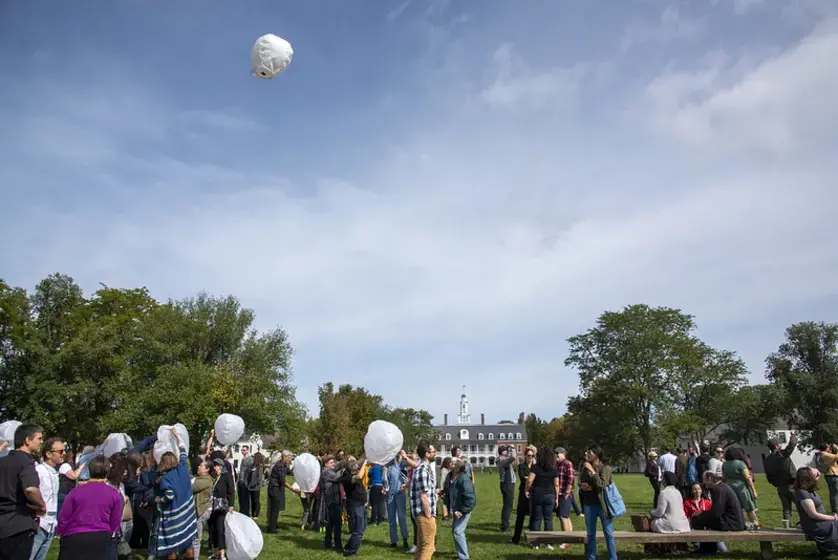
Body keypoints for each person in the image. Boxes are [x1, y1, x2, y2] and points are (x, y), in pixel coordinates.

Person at [56, 456, 122, 560]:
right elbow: (115, 521)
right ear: (107, 471)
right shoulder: (113, 493)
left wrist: (61, 532)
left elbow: (64, 516)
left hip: (74, 536)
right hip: (101, 537)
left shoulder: (76, 491)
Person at [0, 424, 46, 560]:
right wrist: (41, 506)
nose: (42, 442)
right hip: (19, 525)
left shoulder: (3, 462)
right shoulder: (25, 461)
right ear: (27, 440)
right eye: (39, 438)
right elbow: (30, 489)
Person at [150, 429, 198, 559]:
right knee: (188, 540)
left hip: (174, 513)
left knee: (171, 542)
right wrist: (177, 437)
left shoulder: (166, 479)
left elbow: (170, 495)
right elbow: (183, 451)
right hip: (188, 512)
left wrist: (160, 499)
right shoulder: (183, 467)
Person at [29, 437, 66, 560]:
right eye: (60, 451)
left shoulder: (55, 473)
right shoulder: (39, 471)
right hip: (39, 524)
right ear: (49, 454)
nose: (64, 454)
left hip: (51, 524)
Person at [579, 444, 617, 560]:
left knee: (609, 534)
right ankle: (591, 558)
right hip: (589, 504)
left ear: (596, 455)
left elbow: (602, 484)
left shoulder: (605, 468)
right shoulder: (585, 467)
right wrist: (583, 486)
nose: (586, 454)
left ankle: (613, 558)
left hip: (603, 505)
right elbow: (581, 482)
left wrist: (592, 471)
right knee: (590, 534)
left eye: (589, 452)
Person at [692, 471, 745, 554]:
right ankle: (708, 548)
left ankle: (704, 548)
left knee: (698, 519)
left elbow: (716, 513)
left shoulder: (719, 490)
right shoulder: (721, 487)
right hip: (734, 521)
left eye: (704, 480)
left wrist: (702, 514)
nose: (704, 483)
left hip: (731, 523)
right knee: (704, 518)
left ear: (710, 479)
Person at [794, 466, 838, 556]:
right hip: (814, 525)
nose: (815, 477)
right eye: (812, 475)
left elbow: (817, 477)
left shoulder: (809, 490)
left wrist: (817, 475)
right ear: (807, 478)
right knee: (834, 525)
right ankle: (832, 548)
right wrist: (832, 518)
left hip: (820, 522)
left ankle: (826, 550)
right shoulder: (802, 493)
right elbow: (813, 514)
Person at [526, 446, 559, 551]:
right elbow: (556, 485)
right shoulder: (553, 469)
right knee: (548, 519)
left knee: (537, 519)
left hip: (538, 495)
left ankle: (536, 544)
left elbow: (529, 481)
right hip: (550, 495)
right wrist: (557, 497)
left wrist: (526, 490)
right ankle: (549, 543)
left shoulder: (535, 467)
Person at [410, 441, 437, 560]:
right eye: (433, 451)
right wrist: (429, 515)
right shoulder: (423, 470)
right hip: (424, 514)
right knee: (428, 548)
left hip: (423, 513)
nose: (435, 453)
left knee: (421, 547)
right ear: (427, 454)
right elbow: (423, 496)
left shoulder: (423, 468)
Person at [722, 446, 760, 529]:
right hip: (742, 488)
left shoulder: (724, 465)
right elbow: (748, 477)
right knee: (749, 508)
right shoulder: (740, 464)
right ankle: (755, 524)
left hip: (730, 488)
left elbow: (723, 478)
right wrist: (754, 490)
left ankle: (739, 524)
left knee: (736, 508)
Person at [764, 433, 798, 523]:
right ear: (776, 446)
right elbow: (791, 445)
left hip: (780, 487)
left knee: (786, 509)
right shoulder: (782, 454)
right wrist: (793, 436)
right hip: (792, 484)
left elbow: (769, 476)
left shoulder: (767, 460)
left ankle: (788, 526)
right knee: (801, 505)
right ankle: (806, 524)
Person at [208, 458, 235, 560]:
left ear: (220, 466)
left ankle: (222, 554)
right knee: (213, 529)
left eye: (216, 466)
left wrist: (231, 505)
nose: (214, 468)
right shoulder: (215, 476)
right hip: (213, 506)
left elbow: (231, 491)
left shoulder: (227, 476)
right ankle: (215, 552)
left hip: (222, 507)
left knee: (220, 529)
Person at [318, 455, 345, 553]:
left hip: (333, 500)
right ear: (325, 464)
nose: (333, 464)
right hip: (332, 501)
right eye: (331, 462)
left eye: (334, 462)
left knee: (331, 524)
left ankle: (328, 543)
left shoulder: (328, 471)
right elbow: (339, 477)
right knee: (337, 524)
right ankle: (338, 546)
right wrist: (345, 466)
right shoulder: (327, 472)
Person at [342, 458, 369, 557]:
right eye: (357, 468)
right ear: (353, 470)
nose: (359, 469)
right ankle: (351, 552)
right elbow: (360, 476)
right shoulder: (347, 477)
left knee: (362, 527)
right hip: (356, 506)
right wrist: (365, 463)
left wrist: (366, 459)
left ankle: (349, 546)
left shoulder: (351, 474)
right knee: (359, 531)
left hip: (361, 505)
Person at [266, 451, 297, 534]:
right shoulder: (279, 465)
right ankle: (272, 529)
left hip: (276, 488)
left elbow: (289, 472)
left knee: (274, 509)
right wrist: (292, 488)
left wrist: (296, 466)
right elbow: (283, 481)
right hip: (274, 489)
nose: (290, 459)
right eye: (289, 457)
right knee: (274, 509)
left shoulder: (283, 465)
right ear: (284, 457)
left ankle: (272, 525)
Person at [450, 461, 476, 560]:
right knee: (456, 531)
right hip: (459, 509)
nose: (450, 465)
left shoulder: (464, 479)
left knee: (458, 531)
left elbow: (470, 499)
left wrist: (462, 511)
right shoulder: (458, 477)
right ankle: (461, 556)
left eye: (453, 464)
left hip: (463, 510)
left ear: (457, 468)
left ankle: (464, 557)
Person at [383, 456, 409, 550]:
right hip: (391, 495)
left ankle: (405, 539)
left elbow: (406, 463)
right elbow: (385, 483)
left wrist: (404, 456)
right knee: (391, 518)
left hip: (400, 494)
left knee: (401, 517)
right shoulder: (386, 469)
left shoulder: (400, 466)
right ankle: (394, 540)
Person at [510, 446, 535, 545]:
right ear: (525, 456)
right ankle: (516, 538)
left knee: (533, 515)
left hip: (533, 493)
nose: (530, 457)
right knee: (520, 516)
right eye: (529, 455)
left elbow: (532, 478)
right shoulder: (521, 466)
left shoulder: (535, 467)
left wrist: (528, 478)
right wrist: (531, 479)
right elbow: (522, 478)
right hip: (523, 493)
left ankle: (532, 539)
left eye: (532, 456)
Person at [191, 459, 213, 559]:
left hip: (203, 510)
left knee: (196, 537)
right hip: (197, 510)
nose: (198, 467)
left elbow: (192, 488)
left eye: (201, 466)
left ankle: (194, 558)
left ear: (207, 469)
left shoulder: (206, 480)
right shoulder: (198, 478)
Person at [554, 446, 576, 542]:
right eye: (555, 453)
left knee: (563, 517)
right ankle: (570, 536)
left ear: (563, 454)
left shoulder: (567, 463)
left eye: (557, 453)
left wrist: (567, 492)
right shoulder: (557, 465)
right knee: (564, 516)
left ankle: (566, 540)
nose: (556, 455)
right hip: (558, 494)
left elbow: (571, 479)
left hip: (564, 494)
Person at [497, 446, 517, 533]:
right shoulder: (502, 460)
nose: (507, 452)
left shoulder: (502, 459)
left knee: (507, 505)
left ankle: (504, 524)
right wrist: (512, 448)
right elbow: (513, 457)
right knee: (508, 506)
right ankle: (505, 526)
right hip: (507, 484)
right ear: (503, 452)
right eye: (506, 450)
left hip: (506, 483)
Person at [816, 444, 838, 515]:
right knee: (834, 494)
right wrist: (837, 448)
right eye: (828, 447)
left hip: (830, 475)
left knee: (834, 493)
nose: (829, 448)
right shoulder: (825, 454)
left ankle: (835, 509)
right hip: (832, 475)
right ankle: (835, 510)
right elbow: (836, 457)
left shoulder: (823, 454)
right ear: (826, 448)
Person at [246, 452, 265, 519]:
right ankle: (253, 514)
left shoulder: (260, 467)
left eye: (254, 457)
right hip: (250, 486)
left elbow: (259, 479)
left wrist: (253, 485)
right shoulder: (253, 466)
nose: (253, 458)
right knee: (252, 501)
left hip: (256, 487)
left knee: (256, 501)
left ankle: (256, 514)